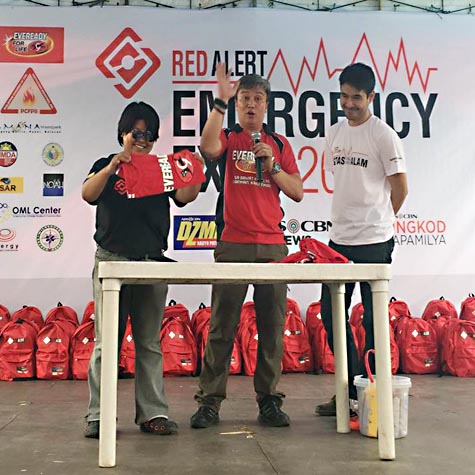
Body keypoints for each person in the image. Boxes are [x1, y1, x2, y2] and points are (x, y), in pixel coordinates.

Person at [190, 63, 304, 429]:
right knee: (222, 327)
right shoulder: (229, 137)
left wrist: (272, 166)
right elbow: (207, 147)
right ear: (237, 104)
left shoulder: (279, 144)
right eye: (244, 99)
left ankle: (269, 400)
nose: (251, 105)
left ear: (267, 104)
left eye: (257, 99)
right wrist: (219, 103)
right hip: (233, 244)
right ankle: (210, 402)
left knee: (272, 328)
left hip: (272, 246)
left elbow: (297, 192)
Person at [82, 101, 201, 438]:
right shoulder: (105, 165)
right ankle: (99, 415)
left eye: (149, 135)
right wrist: (112, 168)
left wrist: (195, 170)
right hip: (112, 261)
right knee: (107, 343)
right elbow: (88, 194)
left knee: (149, 343)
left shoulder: (163, 168)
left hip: (151, 262)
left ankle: (153, 413)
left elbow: (186, 196)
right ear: (123, 133)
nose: (142, 140)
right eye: (136, 133)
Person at [315, 63, 408, 417]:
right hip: (339, 240)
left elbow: (400, 188)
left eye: (356, 97)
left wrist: (379, 220)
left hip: (375, 241)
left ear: (371, 97)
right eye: (344, 96)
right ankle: (350, 391)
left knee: (372, 322)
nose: (349, 103)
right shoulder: (335, 133)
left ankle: (372, 396)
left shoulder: (383, 135)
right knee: (331, 315)